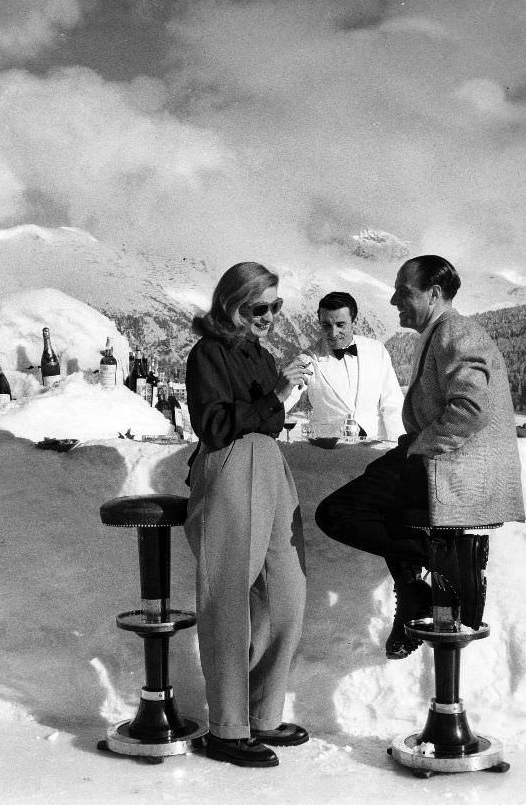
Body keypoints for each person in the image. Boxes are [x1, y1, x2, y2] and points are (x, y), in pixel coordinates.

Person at [315, 255, 525, 659]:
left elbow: (470, 409)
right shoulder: (440, 333)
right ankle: (414, 590)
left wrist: (418, 446)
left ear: (434, 293)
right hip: (438, 461)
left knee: (338, 513)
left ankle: (446, 559)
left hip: (452, 469)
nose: (393, 299)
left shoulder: (455, 333)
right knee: (381, 482)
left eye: (403, 291)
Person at [184, 262, 312, 768]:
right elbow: (213, 424)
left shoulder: (259, 355)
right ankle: (227, 729)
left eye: (275, 307)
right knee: (228, 594)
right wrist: (277, 397)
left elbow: (267, 418)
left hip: (268, 465)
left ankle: (262, 713)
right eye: (259, 307)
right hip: (232, 466)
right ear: (231, 304)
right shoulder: (208, 353)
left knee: (285, 591)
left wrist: (285, 393)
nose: (269, 317)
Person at [285, 291, 403, 443]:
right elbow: (284, 398)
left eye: (340, 325)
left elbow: (392, 403)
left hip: (374, 446)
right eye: (326, 325)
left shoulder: (376, 350)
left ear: (354, 320)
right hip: (328, 450)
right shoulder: (308, 358)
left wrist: (397, 446)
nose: (333, 333)